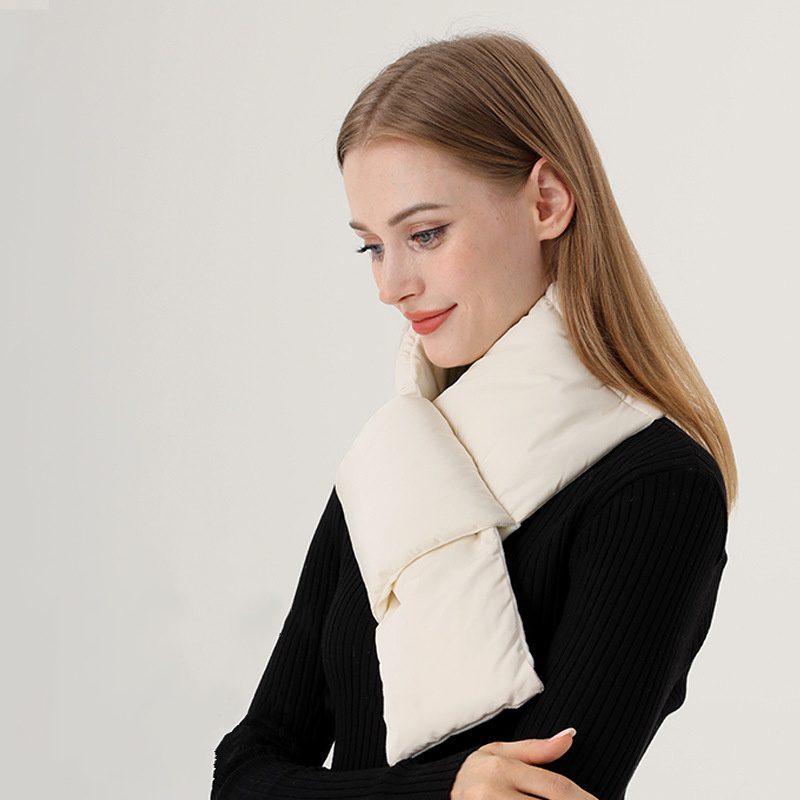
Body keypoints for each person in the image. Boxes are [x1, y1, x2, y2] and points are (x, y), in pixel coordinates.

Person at [210, 31, 737, 800]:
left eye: (424, 234)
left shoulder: (656, 486)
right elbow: (242, 773)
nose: (391, 286)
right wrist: (448, 788)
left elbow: (546, 793)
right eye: (371, 247)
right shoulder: (393, 464)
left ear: (546, 201)